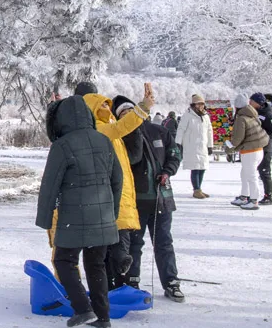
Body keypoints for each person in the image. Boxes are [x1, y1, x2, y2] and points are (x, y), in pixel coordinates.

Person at [36, 95, 122, 328]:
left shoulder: (62, 146)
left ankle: (83, 309)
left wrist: (44, 218)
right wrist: (111, 213)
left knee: (64, 260)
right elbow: (118, 179)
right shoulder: (103, 140)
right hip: (103, 215)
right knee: (96, 265)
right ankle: (103, 317)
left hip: (74, 217)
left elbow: (50, 185)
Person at [81, 86, 151, 292]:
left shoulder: (109, 125)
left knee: (120, 239)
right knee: (109, 245)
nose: (106, 106)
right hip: (110, 194)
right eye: (102, 103)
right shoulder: (99, 129)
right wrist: (142, 108)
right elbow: (122, 128)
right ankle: (109, 286)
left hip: (123, 192)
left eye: (107, 104)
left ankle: (119, 281)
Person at [122, 101, 185, 302]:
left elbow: (174, 154)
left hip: (161, 198)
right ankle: (132, 280)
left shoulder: (159, 131)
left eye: (130, 111)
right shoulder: (121, 137)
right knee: (134, 243)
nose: (128, 115)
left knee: (164, 242)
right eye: (123, 113)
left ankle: (171, 282)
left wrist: (168, 171)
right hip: (136, 202)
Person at [226, 103, 270, 210]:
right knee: (245, 174)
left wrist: (229, 149)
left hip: (250, 151)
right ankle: (244, 196)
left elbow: (238, 138)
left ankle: (254, 200)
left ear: (237, 107)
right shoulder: (253, 115)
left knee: (251, 175)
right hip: (259, 150)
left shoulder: (241, 118)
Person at [175, 94, 214, 199]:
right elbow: (181, 129)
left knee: (202, 168)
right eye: (198, 104)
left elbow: (209, 131)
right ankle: (196, 190)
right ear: (194, 104)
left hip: (203, 145)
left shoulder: (205, 116)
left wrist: (210, 145)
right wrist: (178, 143)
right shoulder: (187, 115)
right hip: (191, 146)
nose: (200, 106)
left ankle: (199, 188)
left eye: (202, 104)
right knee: (195, 168)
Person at [248, 92, 272, 205]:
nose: (250, 103)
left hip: (265, 147)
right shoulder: (254, 113)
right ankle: (251, 194)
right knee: (254, 171)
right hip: (255, 147)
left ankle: (268, 196)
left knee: (265, 171)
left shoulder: (269, 115)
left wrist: (264, 139)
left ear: (259, 103)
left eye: (252, 101)